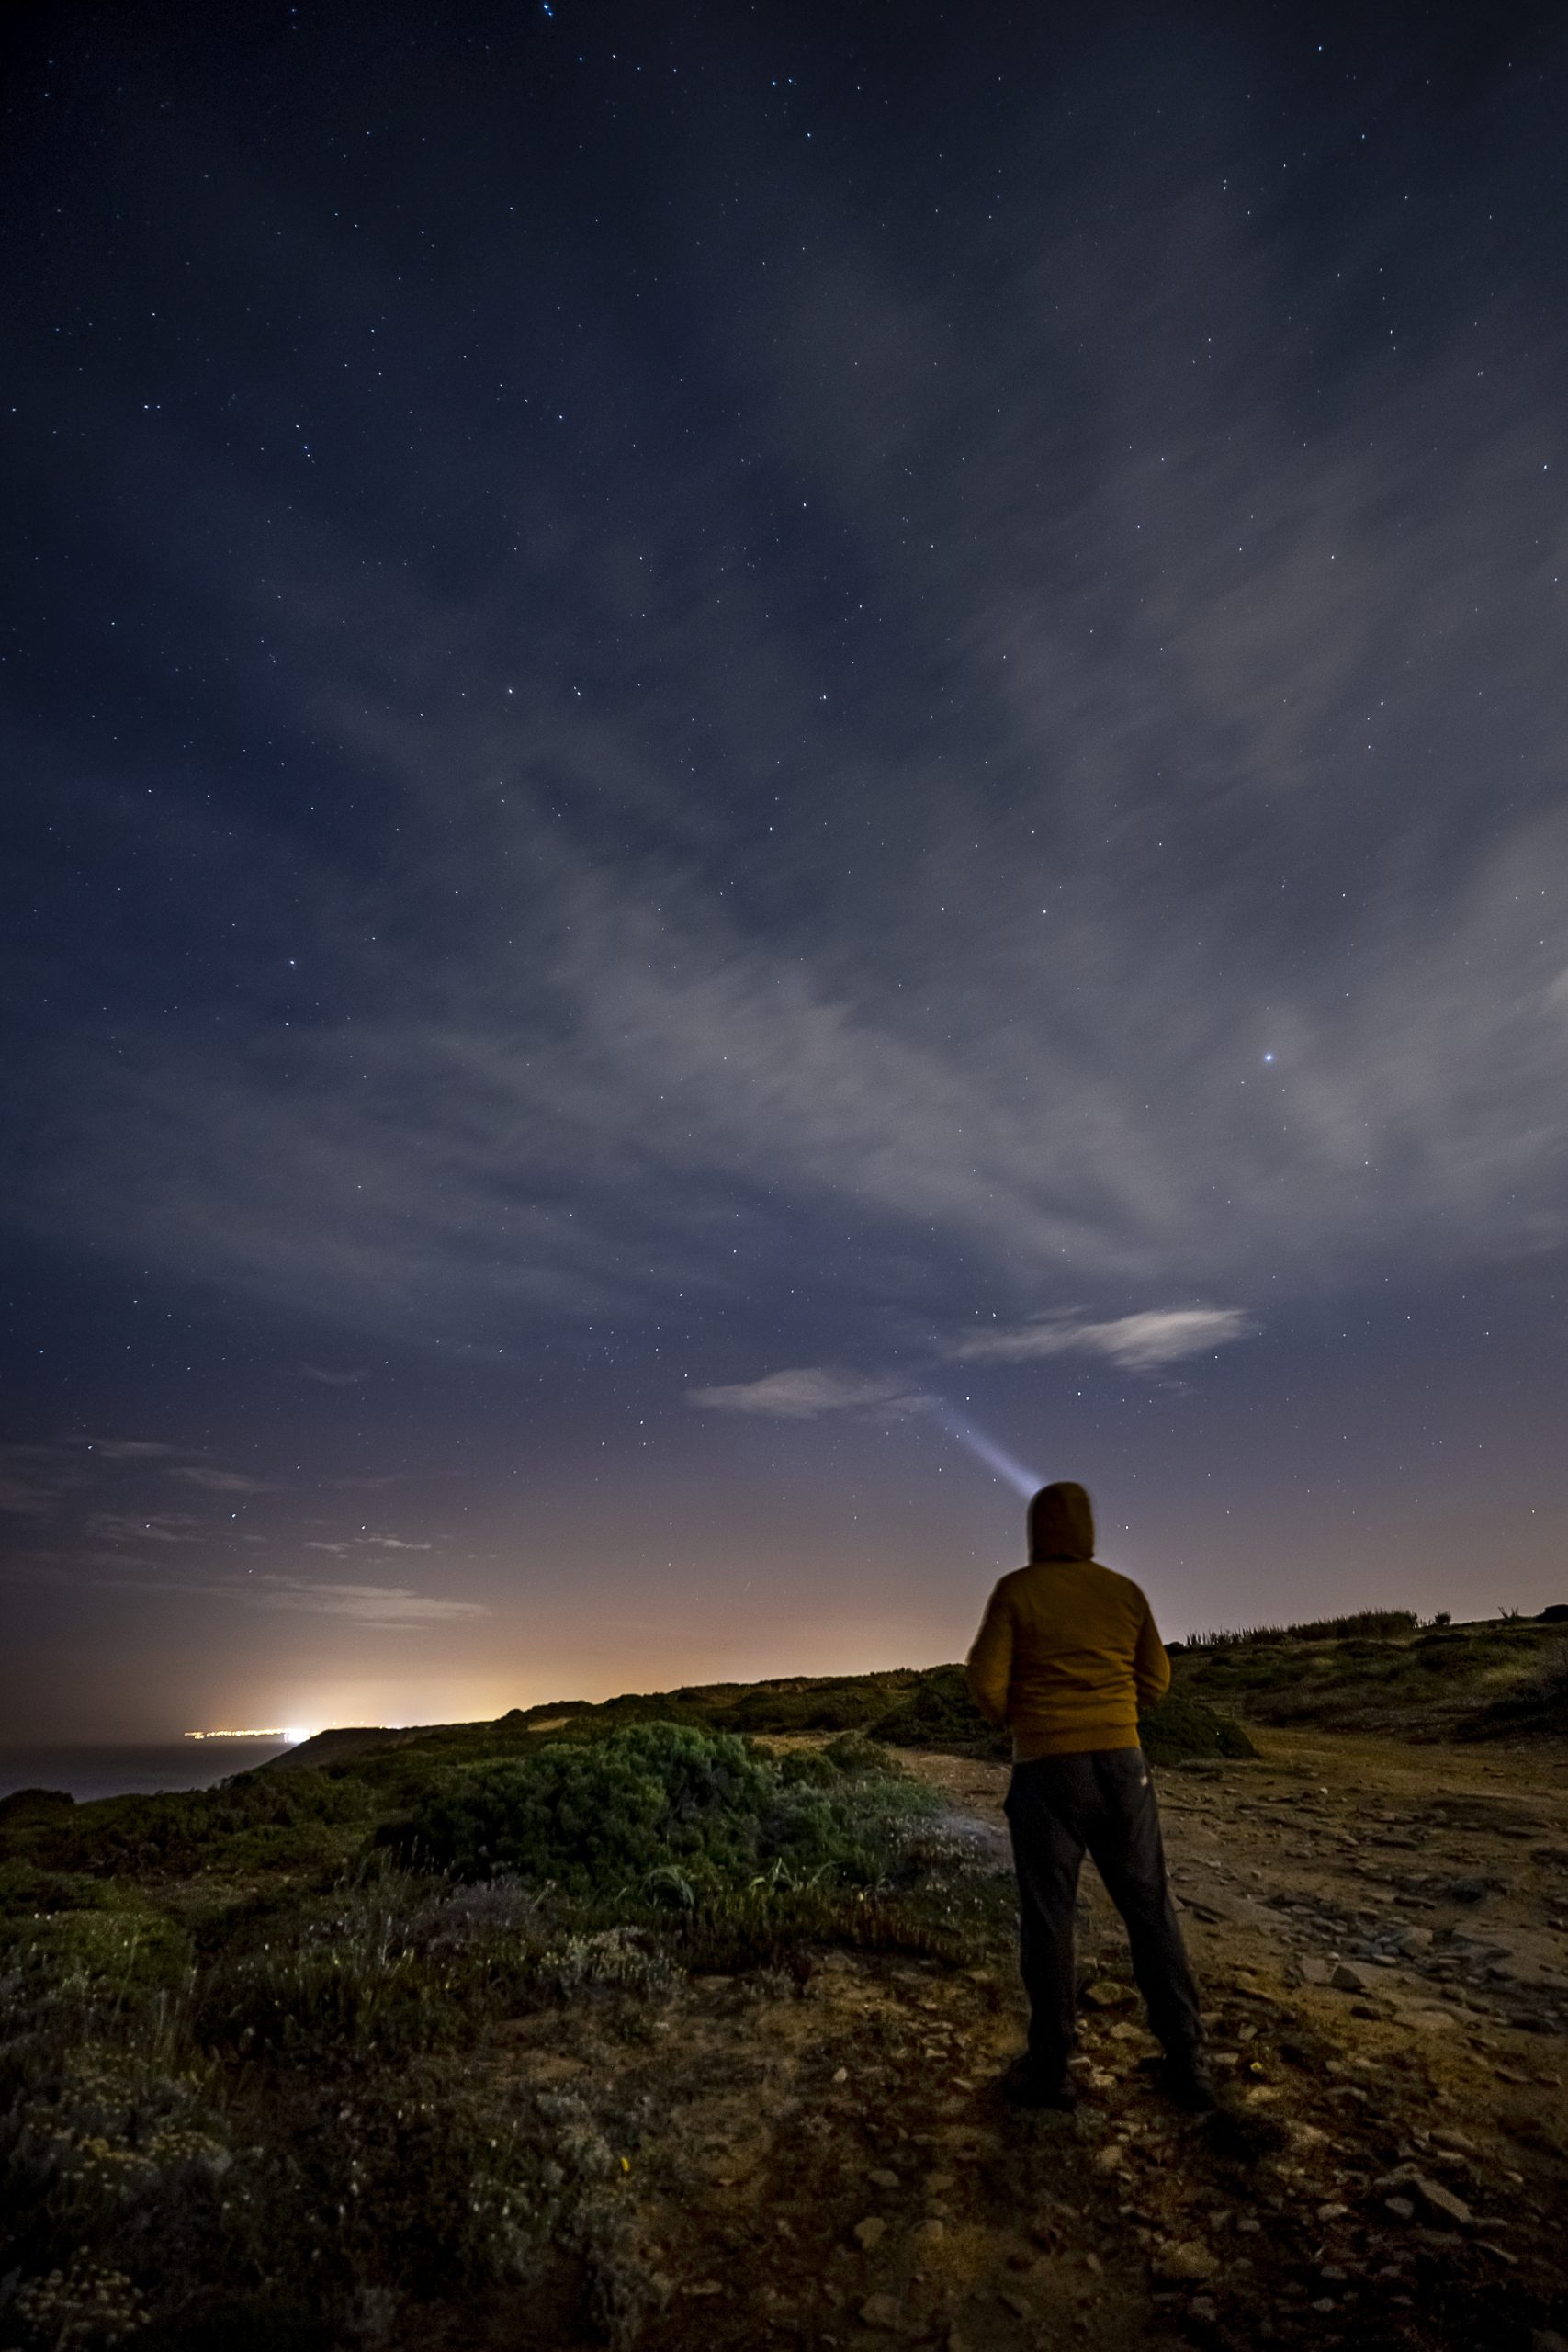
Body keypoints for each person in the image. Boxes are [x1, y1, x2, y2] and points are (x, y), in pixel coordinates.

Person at [965, 1479, 1213, 2113]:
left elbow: (985, 1685)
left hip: (1047, 1769)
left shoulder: (1017, 1591)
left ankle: (1050, 2070)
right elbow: (1156, 1677)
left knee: (1050, 1917)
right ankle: (1187, 2059)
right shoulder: (1123, 1592)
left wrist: (1027, 1719)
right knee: (1149, 1908)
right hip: (1123, 1763)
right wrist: (1116, 1715)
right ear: (1087, 1529)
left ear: (1038, 1529)